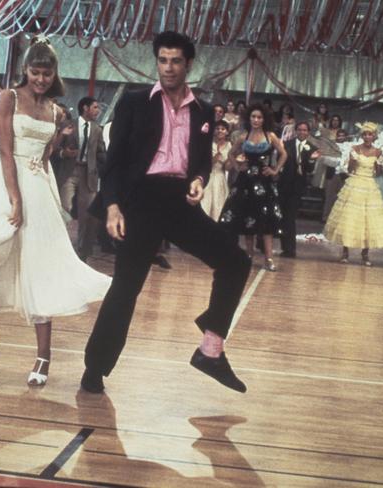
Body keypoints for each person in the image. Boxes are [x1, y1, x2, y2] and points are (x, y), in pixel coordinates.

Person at [81, 31, 251, 395]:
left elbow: (202, 160)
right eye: (162, 60)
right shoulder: (134, 101)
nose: (168, 68)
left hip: (177, 201)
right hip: (139, 201)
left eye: (175, 61)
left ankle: (210, 350)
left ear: (188, 64)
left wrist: (200, 180)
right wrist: (112, 207)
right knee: (126, 288)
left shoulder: (203, 110)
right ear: (156, 62)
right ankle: (95, 369)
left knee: (235, 261)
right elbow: (115, 163)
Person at [0, 38, 111, 385]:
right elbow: (5, 151)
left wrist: (39, 180)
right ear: (26, 70)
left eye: (47, 73)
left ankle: (42, 358)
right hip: (4, 184)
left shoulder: (56, 109)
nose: (41, 79)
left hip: (38, 188)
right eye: (36, 72)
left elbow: (46, 155)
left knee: (40, 269)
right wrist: (15, 198)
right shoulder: (9, 97)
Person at [220, 104, 287, 271]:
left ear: (264, 119)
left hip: (264, 181)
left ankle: (269, 258)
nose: (256, 120)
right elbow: (231, 153)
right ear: (249, 118)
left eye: (259, 117)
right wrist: (237, 167)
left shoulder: (270, 136)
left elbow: (284, 154)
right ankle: (249, 255)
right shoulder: (243, 136)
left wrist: (275, 170)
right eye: (253, 117)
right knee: (247, 218)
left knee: (266, 221)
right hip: (246, 181)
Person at [323, 122, 383, 265]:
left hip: (369, 185)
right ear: (362, 135)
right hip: (355, 183)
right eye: (364, 134)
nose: (367, 137)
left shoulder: (377, 151)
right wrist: (353, 160)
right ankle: (345, 252)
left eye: (370, 134)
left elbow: (379, 173)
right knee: (349, 217)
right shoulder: (354, 149)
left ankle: (365, 254)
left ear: (374, 136)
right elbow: (350, 170)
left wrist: (380, 163)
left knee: (368, 220)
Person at [60, 96, 106, 261]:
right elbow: (56, 146)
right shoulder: (67, 125)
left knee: (88, 215)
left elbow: (101, 152)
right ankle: (59, 248)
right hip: (69, 172)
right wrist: (63, 153)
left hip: (89, 174)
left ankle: (82, 254)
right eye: (95, 107)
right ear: (85, 108)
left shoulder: (97, 129)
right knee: (64, 208)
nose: (98, 111)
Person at [278, 121, 319, 258]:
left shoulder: (312, 148)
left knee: (290, 218)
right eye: (300, 130)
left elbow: (309, 170)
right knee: (280, 216)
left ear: (308, 132)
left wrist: (312, 160)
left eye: (305, 130)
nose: (302, 132)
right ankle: (266, 244)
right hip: (283, 184)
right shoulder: (287, 144)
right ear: (296, 131)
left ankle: (290, 249)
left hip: (297, 187)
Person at [200, 120, 232, 221]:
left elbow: (227, 168)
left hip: (220, 178)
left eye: (223, 129)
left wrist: (227, 161)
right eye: (217, 128)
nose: (220, 131)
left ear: (227, 132)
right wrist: (214, 158)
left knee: (219, 207)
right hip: (208, 177)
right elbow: (203, 163)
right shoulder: (208, 144)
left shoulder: (230, 146)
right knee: (205, 206)